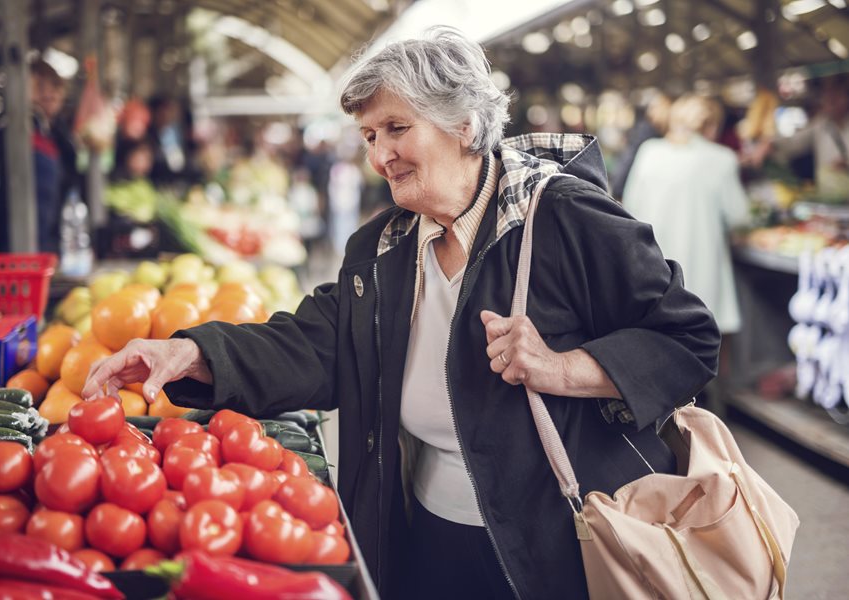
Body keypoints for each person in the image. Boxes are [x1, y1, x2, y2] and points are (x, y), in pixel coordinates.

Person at [83, 28, 720, 600]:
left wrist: (565, 368)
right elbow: (319, 345)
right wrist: (191, 352)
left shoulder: (563, 218)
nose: (380, 154)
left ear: (465, 125)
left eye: (396, 128)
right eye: (368, 136)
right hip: (426, 535)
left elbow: (688, 338)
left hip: (556, 543)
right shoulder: (384, 247)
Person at [623, 94, 750, 344]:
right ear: (711, 126)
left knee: (658, 346)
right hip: (701, 277)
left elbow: (630, 207)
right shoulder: (722, 159)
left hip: (653, 273)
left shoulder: (649, 153)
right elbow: (739, 217)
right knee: (700, 347)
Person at [0, 59, 71, 253]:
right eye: (39, 86)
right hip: (11, 244)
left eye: (55, 86)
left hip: (48, 240)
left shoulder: (57, 134)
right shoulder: (9, 131)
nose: (49, 94)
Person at [608, 91, 671, 200]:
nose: (651, 112)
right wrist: (618, 189)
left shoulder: (650, 131)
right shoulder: (647, 131)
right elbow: (629, 158)